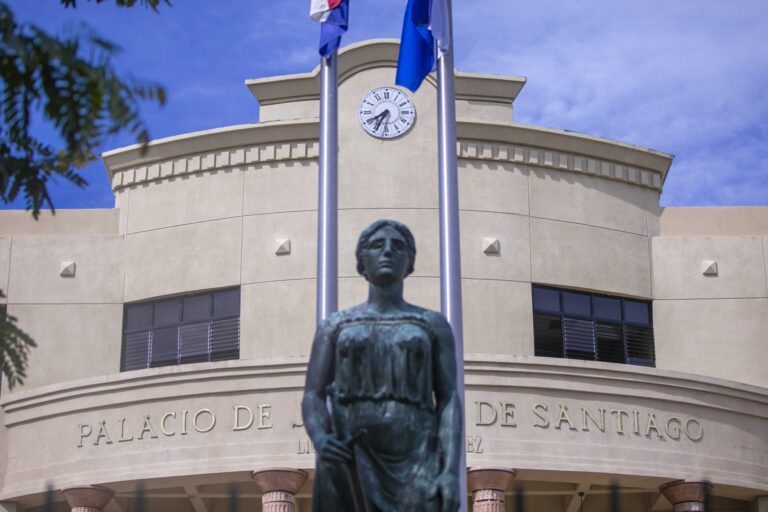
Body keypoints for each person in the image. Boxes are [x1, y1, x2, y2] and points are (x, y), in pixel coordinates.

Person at [302, 219, 462, 512]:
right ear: (362, 260)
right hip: (349, 454)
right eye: (377, 245)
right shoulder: (335, 325)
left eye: (398, 246)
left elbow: (449, 398)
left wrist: (450, 471)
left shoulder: (431, 323)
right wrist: (321, 437)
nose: (388, 251)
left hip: (416, 458)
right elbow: (313, 394)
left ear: (409, 262)